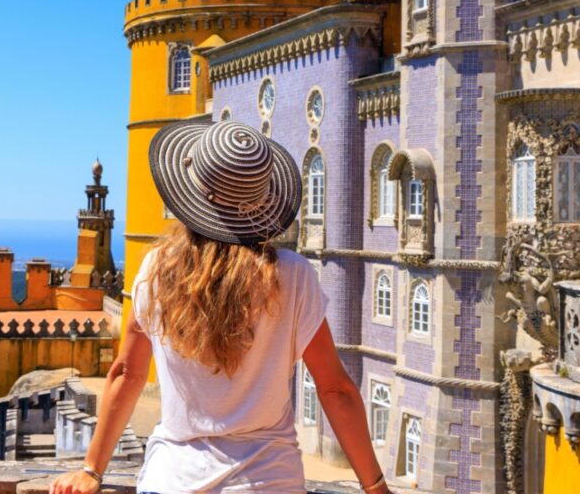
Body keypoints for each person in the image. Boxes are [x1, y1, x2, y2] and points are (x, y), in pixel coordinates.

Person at [50, 120, 391, 494]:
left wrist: (92, 469)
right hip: (268, 482)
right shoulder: (293, 276)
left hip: (174, 479)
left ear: (190, 191)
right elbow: (335, 390)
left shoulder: (156, 270)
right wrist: (375, 487)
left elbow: (127, 373)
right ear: (263, 201)